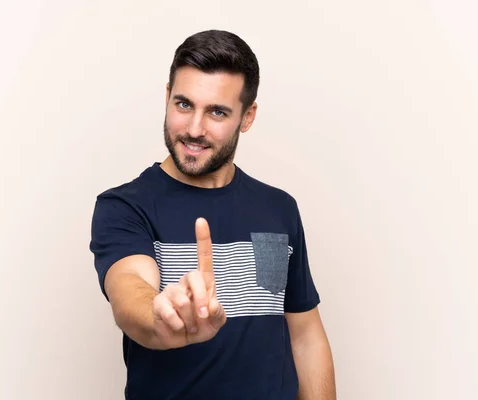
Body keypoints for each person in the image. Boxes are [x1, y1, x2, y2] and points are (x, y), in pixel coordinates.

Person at [90, 29, 336, 400]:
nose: (193, 129)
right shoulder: (125, 206)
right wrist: (160, 318)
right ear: (167, 97)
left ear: (247, 116)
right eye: (183, 104)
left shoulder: (278, 209)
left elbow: (305, 336)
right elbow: (130, 292)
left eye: (217, 112)